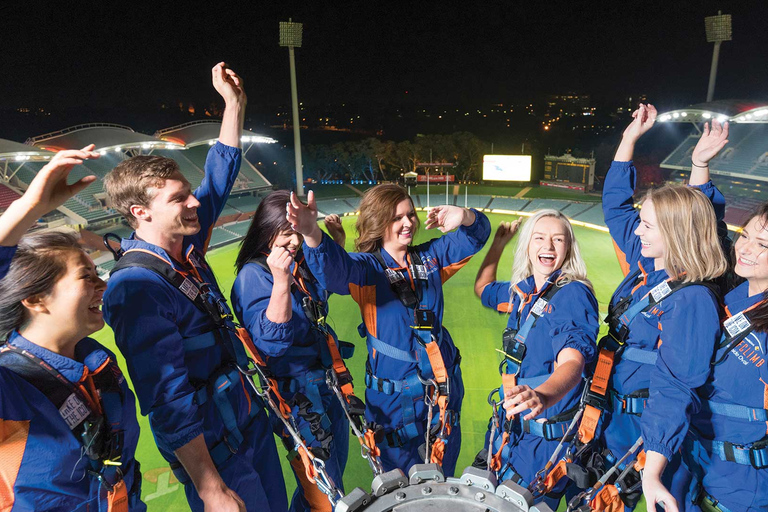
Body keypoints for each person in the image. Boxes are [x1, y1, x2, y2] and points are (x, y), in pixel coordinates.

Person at [102, 63, 287, 512]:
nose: (194, 203)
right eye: (178, 199)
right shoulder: (136, 287)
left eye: (188, 192)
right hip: (218, 453)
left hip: (247, 422)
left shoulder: (185, 245)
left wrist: (233, 105)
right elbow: (167, 400)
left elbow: (220, 176)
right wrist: (210, 488)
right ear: (139, 212)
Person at [286, 184, 491, 475]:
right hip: (396, 406)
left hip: (442, 398)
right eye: (397, 218)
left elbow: (477, 235)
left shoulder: (430, 257)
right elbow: (334, 270)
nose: (408, 223)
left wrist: (466, 215)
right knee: (401, 492)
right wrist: (312, 233)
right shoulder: (366, 268)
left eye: (409, 215)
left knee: (443, 486)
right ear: (378, 222)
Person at [587, 104, 728, 511]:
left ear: (677, 233)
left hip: (652, 440)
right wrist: (629, 139)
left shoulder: (693, 301)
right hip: (614, 426)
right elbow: (616, 207)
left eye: (647, 225)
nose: (637, 230)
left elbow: (675, 387)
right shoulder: (648, 264)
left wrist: (652, 467)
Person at [0, 147, 145, 511]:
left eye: (98, 274)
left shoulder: (99, 365)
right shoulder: (8, 388)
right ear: (35, 299)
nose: (103, 286)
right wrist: (28, 209)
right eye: (86, 277)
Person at [648, 119, 768, 512]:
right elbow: (701, 224)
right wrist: (699, 164)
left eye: (762, 243)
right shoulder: (728, 292)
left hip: (747, 488)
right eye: (745, 235)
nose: (745, 248)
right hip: (696, 466)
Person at [231, 192, 351, 511]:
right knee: (326, 492)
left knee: (327, 482)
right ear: (267, 231)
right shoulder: (253, 277)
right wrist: (281, 282)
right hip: (297, 395)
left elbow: (327, 292)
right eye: (288, 234)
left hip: (326, 383)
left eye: (297, 233)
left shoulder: (298, 264)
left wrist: (333, 244)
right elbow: (272, 343)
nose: (295, 242)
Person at [474, 210, 599, 510]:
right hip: (514, 431)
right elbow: (482, 289)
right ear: (527, 245)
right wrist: (498, 244)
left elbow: (573, 361)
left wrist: (543, 395)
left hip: (543, 441)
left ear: (569, 247)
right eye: (540, 238)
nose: (549, 246)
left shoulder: (572, 294)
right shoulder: (524, 291)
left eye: (559, 239)